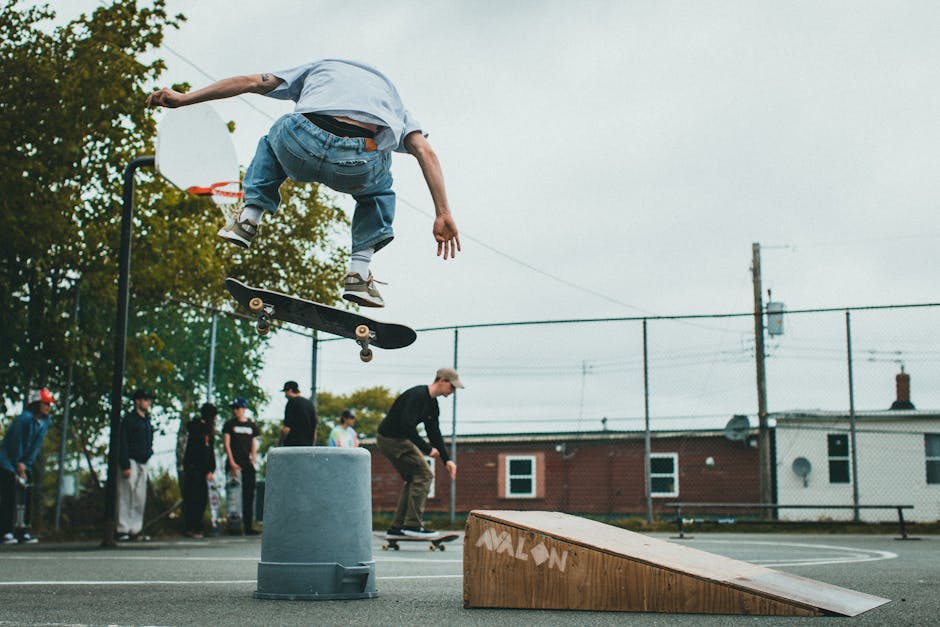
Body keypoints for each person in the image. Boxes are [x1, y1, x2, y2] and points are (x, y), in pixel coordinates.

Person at [146, 58, 461, 308]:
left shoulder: (319, 69)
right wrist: (443, 211)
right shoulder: (394, 105)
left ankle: (248, 219)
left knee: (271, 140)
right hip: (355, 161)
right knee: (379, 189)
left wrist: (184, 99)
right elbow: (425, 151)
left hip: (299, 143)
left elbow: (249, 82)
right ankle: (358, 272)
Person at [376, 368, 463, 538]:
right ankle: (412, 525)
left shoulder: (432, 405)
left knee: (414, 478)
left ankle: (398, 528)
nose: (453, 391)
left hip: (396, 439)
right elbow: (406, 425)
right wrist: (427, 448)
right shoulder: (417, 396)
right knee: (424, 475)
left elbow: (434, 433)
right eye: (452, 387)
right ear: (442, 380)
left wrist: (447, 460)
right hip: (392, 439)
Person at [0, 388, 55, 544]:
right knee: (9, 495)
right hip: (7, 462)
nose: (48, 407)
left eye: (49, 404)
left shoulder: (45, 422)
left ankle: (22, 530)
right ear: (37, 404)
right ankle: (5, 531)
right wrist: (18, 463)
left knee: (26, 496)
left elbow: (36, 446)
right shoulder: (23, 419)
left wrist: (25, 464)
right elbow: (14, 443)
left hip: (23, 463)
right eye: (45, 404)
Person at [116, 389, 154, 542]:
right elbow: (123, 442)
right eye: (145, 399)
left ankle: (135, 528)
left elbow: (149, 440)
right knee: (126, 494)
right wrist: (125, 464)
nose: (148, 402)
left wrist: (149, 452)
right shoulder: (129, 420)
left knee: (139, 497)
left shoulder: (146, 421)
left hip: (143, 461)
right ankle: (122, 528)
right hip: (131, 460)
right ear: (137, 401)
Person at [222, 397, 260, 535]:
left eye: (238, 408)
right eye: (234, 408)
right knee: (234, 496)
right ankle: (234, 526)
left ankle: (248, 526)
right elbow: (226, 443)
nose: (235, 410)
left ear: (243, 409)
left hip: (247, 463)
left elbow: (254, 442)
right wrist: (232, 462)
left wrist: (253, 458)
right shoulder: (229, 425)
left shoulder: (251, 426)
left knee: (249, 495)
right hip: (234, 463)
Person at [182, 403, 217, 539]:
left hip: (204, 471)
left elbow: (210, 452)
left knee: (202, 499)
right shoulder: (196, 429)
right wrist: (191, 466)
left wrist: (210, 469)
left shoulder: (209, 431)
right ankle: (191, 526)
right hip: (194, 468)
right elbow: (195, 451)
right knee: (193, 498)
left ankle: (198, 525)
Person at [279, 381, 317, 446]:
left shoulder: (291, 403)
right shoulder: (310, 404)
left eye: (285, 392)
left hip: (292, 445)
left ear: (290, 390)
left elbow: (286, 429)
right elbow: (315, 429)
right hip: (307, 446)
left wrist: (280, 443)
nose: (285, 395)